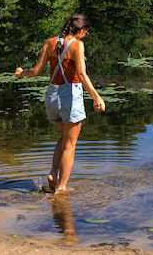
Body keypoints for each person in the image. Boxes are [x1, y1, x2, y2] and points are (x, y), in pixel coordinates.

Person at [15, 13, 105, 194]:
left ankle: (53, 175)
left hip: (51, 97)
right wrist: (96, 97)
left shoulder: (50, 42)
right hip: (69, 98)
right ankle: (61, 187)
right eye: (86, 32)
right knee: (70, 145)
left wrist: (20, 73)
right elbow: (81, 73)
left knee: (65, 138)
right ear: (80, 30)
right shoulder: (77, 45)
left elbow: (35, 71)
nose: (86, 35)